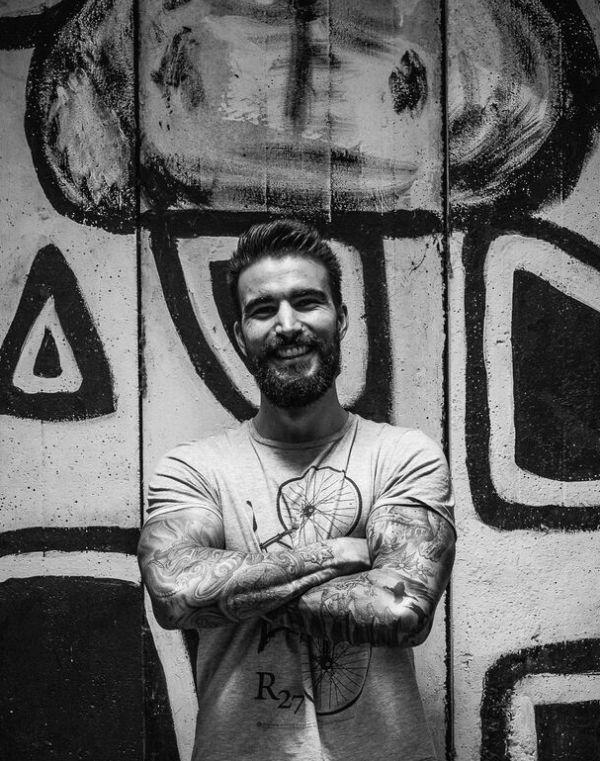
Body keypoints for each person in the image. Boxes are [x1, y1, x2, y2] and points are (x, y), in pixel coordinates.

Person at [137, 219, 456, 761]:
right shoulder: (193, 468)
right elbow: (173, 593)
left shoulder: (404, 455)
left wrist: (230, 590)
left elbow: (401, 608)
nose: (287, 325)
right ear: (240, 334)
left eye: (307, 302)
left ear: (341, 317)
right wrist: (340, 554)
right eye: (263, 310)